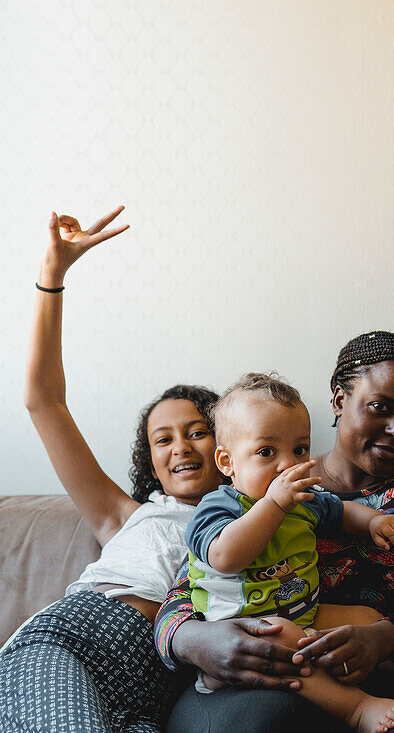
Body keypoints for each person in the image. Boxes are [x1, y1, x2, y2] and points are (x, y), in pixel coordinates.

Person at [159, 331, 394, 733]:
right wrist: (194, 641)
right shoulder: (256, 493)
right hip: (261, 667)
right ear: (340, 401)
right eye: (380, 407)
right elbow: (193, 582)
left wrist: (382, 639)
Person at [0, 207, 226, 732]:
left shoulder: (255, 518)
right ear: (151, 462)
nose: (180, 448)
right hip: (72, 639)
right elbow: (43, 402)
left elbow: (393, 492)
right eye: (162, 440)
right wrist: (52, 277)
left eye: (197, 431)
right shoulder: (127, 515)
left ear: (226, 446)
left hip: (152, 688)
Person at [185, 373, 394, 731]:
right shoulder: (219, 506)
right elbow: (225, 557)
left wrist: (373, 521)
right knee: (284, 636)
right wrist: (274, 506)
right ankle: (357, 709)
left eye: (299, 450)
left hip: (304, 613)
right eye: (266, 452)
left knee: (368, 618)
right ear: (227, 462)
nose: (286, 465)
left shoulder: (303, 500)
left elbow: (341, 512)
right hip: (243, 634)